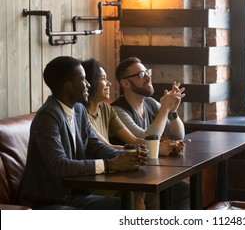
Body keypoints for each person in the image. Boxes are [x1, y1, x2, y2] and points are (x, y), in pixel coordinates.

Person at [15, 56, 148, 210]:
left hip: (74, 196)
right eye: (83, 80)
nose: (88, 85)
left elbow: (96, 146)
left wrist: (125, 156)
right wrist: (110, 164)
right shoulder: (48, 116)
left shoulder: (78, 109)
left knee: (131, 206)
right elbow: (60, 166)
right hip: (46, 202)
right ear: (68, 86)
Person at [111, 57, 190, 210]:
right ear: (125, 83)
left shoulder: (150, 103)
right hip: (128, 178)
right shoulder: (117, 110)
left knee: (184, 190)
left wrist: (172, 112)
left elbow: (177, 136)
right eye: (141, 75)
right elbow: (147, 139)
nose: (148, 77)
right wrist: (164, 109)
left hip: (149, 172)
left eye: (147, 72)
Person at [81, 58, 154, 209]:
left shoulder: (106, 109)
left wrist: (157, 146)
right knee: (138, 192)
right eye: (103, 79)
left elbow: (133, 139)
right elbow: (105, 146)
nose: (109, 83)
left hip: (112, 172)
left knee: (165, 189)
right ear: (89, 83)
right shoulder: (81, 114)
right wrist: (145, 150)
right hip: (94, 177)